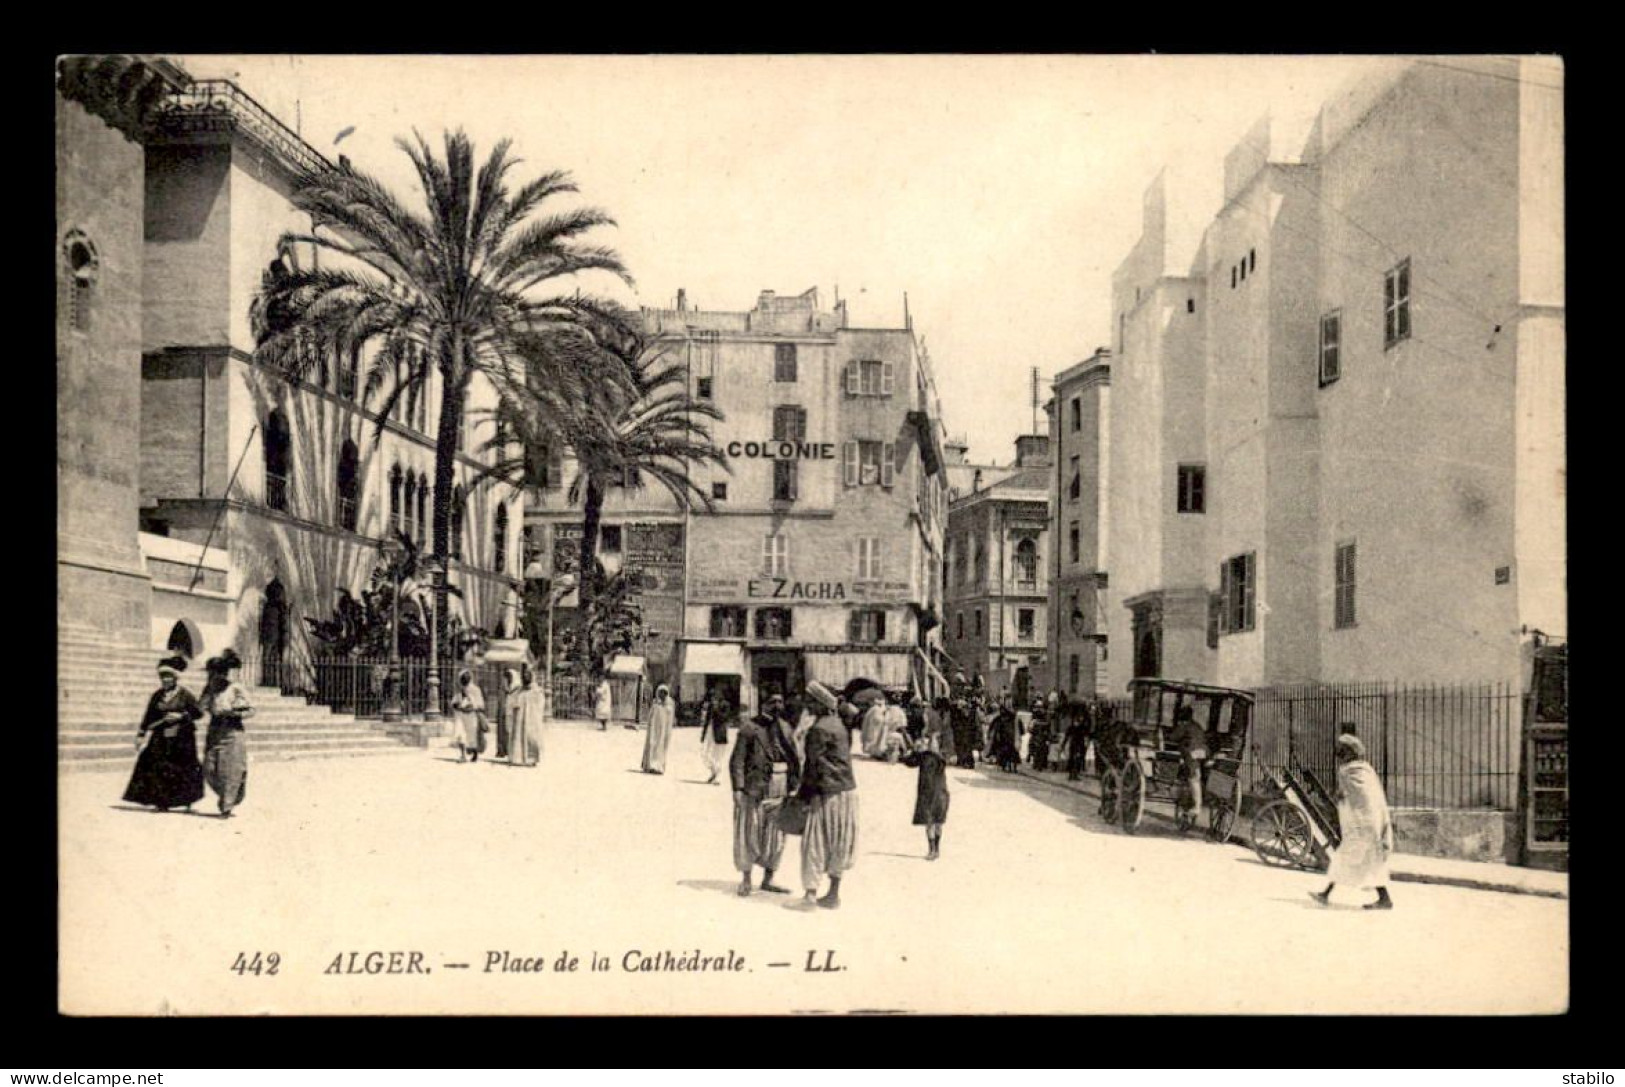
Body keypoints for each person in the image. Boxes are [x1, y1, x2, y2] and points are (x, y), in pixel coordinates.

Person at [1311, 734, 1397, 910]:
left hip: (1362, 824)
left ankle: (1326, 894)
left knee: (1347, 857)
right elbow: (1366, 796)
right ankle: (1383, 899)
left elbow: (1355, 796)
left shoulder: (1348, 770)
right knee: (1369, 861)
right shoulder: (1366, 769)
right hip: (1370, 822)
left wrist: (1339, 796)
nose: (1337, 751)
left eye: (1341, 748)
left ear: (1348, 751)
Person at [730, 693, 801, 896]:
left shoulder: (786, 728)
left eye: (780, 701)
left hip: (780, 784)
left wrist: (795, 785)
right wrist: (737, 788)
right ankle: (746, 879)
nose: (777, 705)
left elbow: (795, 759)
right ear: (763, 704)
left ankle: (769, 878)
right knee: (750, 830)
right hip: (754, 787)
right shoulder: (749, 728)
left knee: (777, 833)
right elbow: (737, 760)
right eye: (772, 702)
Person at [796, 681, 859, 909]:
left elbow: (812, 765)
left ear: (819, 703)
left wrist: (803, 795)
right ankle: (833, 894)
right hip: (846, 791)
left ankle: (811, 895)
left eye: (809, 699)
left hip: (825, 793)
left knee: (815, 841)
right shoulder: (838, 725)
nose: (806, 703)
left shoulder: (819, 729)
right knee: (839, 842)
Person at [123, 655, 206, 812]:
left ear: (175, 678)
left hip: (182, 737)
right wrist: (141, 734)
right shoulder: (157, 696)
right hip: (161, 735)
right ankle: (162, 801)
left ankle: (187, 799)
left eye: (168, 676)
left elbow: (198, 713)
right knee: (156, 764)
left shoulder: (185, 695)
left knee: (183, 767)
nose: (165, 680)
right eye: (163, 677)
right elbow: (149, 715)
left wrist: (181, 716)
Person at [199, 649, 254, 818]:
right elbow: (200, 709)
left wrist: (234, 713)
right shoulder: (209, 690)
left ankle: (226, 805)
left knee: (230, 770)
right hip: (214, 731)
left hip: (233, 731)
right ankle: (231, 795)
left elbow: (251, 710)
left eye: (216, 674)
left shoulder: (235, 688)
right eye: (211, 674)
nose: (213, 677)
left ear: (223, 674)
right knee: (209, 768)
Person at [903, 697, 955, 859]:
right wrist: (910, 754)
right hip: (931, 784)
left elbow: (949, 758)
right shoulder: (928, 740)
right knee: (932, 818)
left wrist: (933, 751)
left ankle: (934, 849)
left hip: (934, 783)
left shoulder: (938, 739)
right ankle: (933, 849)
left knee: (935, 817)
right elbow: (913, 761)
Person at [1168, 705, 1208, 823]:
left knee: (1193, 777)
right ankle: (1192, 800)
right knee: (1194, 775)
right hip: (1203, 752)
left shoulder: (1184, 726)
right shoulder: (1197, 726)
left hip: (1192, 753)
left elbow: (1173, 737)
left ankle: (1197, 806)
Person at [451, 668, 486, 763]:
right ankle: (463, 755)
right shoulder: (459, 689)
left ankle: (474, 752)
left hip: (471, 715)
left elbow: (481, 704)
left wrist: (472, 706)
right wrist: (457, 705)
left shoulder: (475, 690)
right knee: (461, 734)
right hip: (461, 715)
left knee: (472, 736)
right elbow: (454, 702)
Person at [641, 684, 674, 774]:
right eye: (660, 693)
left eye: (664, 693)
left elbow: (670, 718)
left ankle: (659, 767)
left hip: (663, 731)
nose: (662, 695)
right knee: (652, 746)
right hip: (654, 730)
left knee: (661, 748)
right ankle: (651, 765)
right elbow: (650, 716)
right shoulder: (655, 703)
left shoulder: (669, 703)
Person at [700, 690, 730, 784]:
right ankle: (713, 772)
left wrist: (716, 709)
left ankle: (717, 776)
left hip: (719, 733)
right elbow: (707, 720)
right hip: (710, 732)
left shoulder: (725, 705)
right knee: (705, 753)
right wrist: (703, 734)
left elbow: (725, 717)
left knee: (718, 755)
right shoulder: (711, 705)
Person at [989, 696, 1021, 773]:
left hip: (1011, 735)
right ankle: (1007, 765)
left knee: (1012, 751)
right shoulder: (1002, 717)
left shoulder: (1013, 717)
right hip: (1006, 735)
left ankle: (1011, 766)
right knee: (1007, 751)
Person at [1064, 699, 1093, 781]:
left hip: (1076, 740)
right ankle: (1074, 774)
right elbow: (1085, 729)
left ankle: (1073, 774)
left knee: (1075, 756)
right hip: (1078, 740)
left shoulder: (1076, 717)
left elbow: (1070, 730)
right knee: (1077, 756)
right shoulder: (1082, 717)